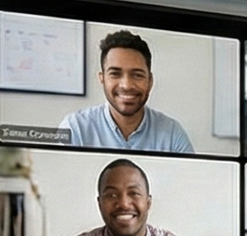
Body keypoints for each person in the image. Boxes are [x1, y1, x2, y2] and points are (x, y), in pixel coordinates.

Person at [51, 158, 200, 236]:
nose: (123, 204)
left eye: (134, 193)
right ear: (99, 204)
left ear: (148, 202)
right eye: (112, 195)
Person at [59, 29, 193, 153]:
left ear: (150, 81)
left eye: (137, 75)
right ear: (102, 78)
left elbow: (191, 178)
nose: (127, 85)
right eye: (115, 74)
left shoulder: (173, 134)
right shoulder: (74, 128)